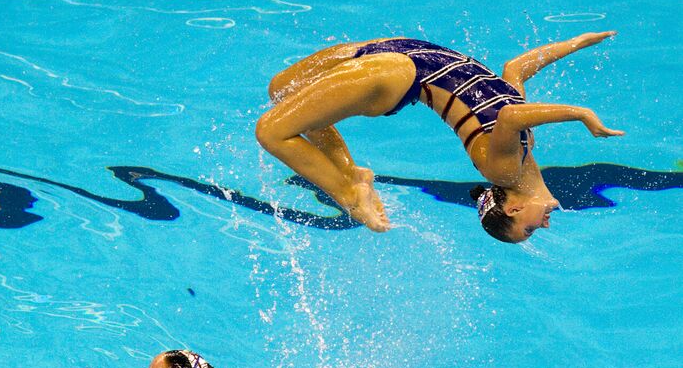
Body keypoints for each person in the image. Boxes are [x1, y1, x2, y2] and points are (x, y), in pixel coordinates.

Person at [255, 31, 623, 241]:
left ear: (513, 208)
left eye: (530, 228)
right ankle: (351, 177)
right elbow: (516, 72)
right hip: (401, 55)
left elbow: (512, 114)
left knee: (272, 131)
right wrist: (580, 43)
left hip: (398, 69)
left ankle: (351, 192)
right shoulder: (516, 162)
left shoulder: (502, 171)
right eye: (531, 230)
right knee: (282, 91)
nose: (543, 224)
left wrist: (580, 114)